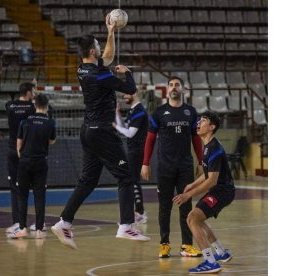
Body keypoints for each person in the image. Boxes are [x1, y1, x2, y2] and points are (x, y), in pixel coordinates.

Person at [51, 14, 150, 250]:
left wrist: (110, 32)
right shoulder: (100, 75)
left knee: (88, 180)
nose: (99, 49)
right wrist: (126, 72)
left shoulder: (84, 69)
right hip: (102, 132)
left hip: (88, 131)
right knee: (125, 176)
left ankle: (64, 221)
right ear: (92, 52)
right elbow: (129, 88)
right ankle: (126, 225)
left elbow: (107, 57)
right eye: (97, 45)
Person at [141, 76, 204, 258]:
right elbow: (150, 139)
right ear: (167, 89)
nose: (174, 87)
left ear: (182, 89)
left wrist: (200, 161)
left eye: (177, 85)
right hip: (165, 167)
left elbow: (196, 139)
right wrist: (145, 163)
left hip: (185, 167)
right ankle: (164, 244)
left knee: (186, 207)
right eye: (171, 85)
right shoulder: (159, 113)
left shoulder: (191, 112)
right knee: (164, 207)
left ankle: (186, 245)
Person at [172, 111, 235, 274]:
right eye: (199, 120)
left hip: (222, 191)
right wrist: (191, 185)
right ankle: (221, 252)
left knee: (192, 218)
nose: (199, 123)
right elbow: (207, 175)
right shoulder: (207, 146)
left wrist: (188, 195)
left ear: (212, 127)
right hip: (221, 190)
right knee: (197, 219)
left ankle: (210, 261)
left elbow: (212, 181)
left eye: (203, 120)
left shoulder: (214, 148)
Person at [7, 94, 57, 239]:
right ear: (47, 106)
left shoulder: (25, 121)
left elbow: (18, 143)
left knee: (22, 196)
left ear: (34, 105)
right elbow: (52, 141)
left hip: (24, 162)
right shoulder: (50, 122)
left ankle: (22, 228)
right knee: (39, 197)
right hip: (41, 162)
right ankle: (39, 230)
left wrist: (22, 157)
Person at [4, 81, 35, 234]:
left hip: (12, 151)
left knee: (15, 188)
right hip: (28, 151)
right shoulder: (32, 108)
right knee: (34, 186)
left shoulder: (10, 105)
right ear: (29, 92)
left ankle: (17, 222)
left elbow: (10, 105)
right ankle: (36, 223)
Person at [113, 93, 148, 224]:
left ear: (134, 93)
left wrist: (115, 126)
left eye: (126, 94)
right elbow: (125, 127)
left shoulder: (139, 111)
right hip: (132, 150)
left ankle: (140, 212)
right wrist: (117, 113)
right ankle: (139, 212)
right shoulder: (133, 111)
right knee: (132, 180)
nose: (124, 97)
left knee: (134, 180)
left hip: (137, 151)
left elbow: (130, 133)